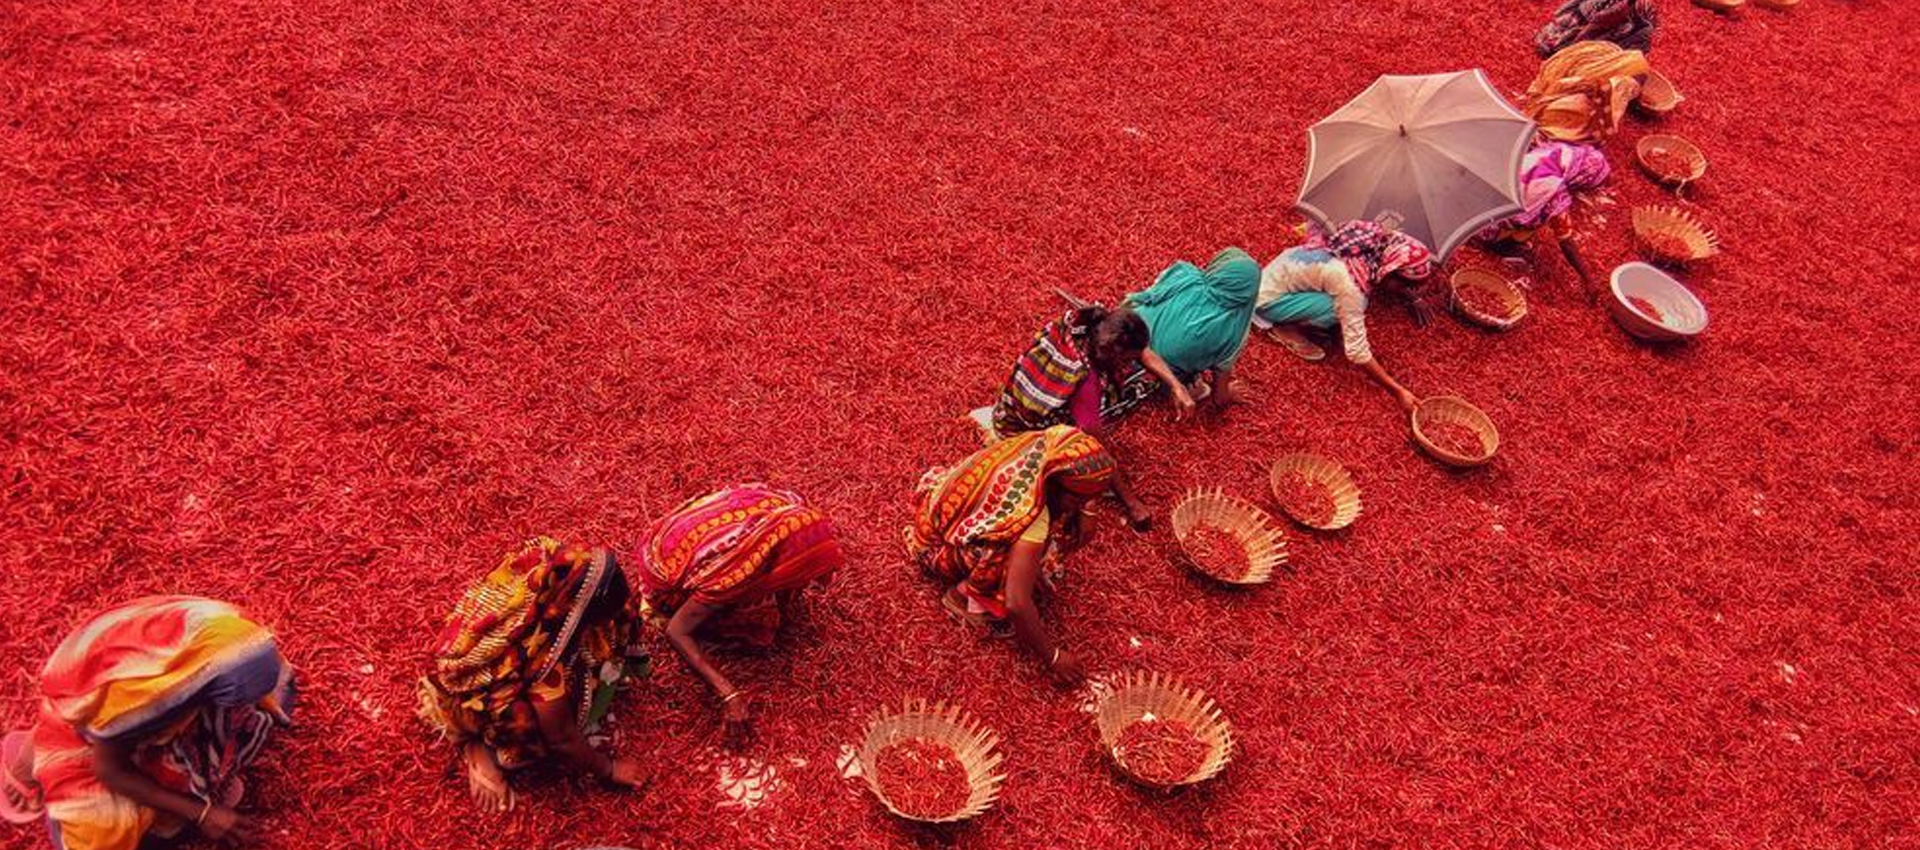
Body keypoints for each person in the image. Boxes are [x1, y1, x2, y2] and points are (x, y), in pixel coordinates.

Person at [2, 596, 296, 850]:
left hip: (128, 675)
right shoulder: (128, 700)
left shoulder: (230, 626)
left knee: (266, 705)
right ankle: (43, 756)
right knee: (104, 832)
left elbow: (262, 681)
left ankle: (185, 767)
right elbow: (111, 771)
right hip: (99, 712)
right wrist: (200, 812)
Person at [418, 538, 647, 812]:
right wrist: (608, 768)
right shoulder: (541, 658)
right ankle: (483, 748)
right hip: (483, 693)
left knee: (617, 625)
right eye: (597, 620)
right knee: (526, 726)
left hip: (499, 661)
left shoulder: (552, 575)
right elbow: (562, 739)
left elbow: (620, 611)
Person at [905, 424, 1117, 685]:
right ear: (1058, 487)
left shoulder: (1052, 444)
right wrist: (1053, 657)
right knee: (1027, 560)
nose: (1082, 505)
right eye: (1078, 499)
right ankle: (964, 598)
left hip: (938, 516)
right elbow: (1017, 603)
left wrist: (1086, 509)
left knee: (1038, 551)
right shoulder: (1031, 515)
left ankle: (993, 573)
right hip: (938, 548)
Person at [634, 484, 843, 734]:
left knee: (781, 583)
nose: (812, 583)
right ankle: (675, 598)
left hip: (689, 531)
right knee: (758, 615)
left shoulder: (788, 507)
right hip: (662, 568)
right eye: (806, 575)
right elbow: (676, 631)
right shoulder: (732, 574)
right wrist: (727, 692)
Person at [989, 304, 1190, 530]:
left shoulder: (1085, 322)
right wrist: (1132, 503)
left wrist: (1176, 385)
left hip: (1007, 407)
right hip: (1019, 433)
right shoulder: (1085, 380)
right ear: (1113, 354)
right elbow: (1096, 446)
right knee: (1086, 461)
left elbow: (1141, 351)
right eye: (1126, 360)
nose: (1129, 365)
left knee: (1134, 384)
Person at [1255, 220, 1436, 410]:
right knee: (1342, 308)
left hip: (1282, 271)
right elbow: (1357, 352)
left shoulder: (1369, 243)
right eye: (1406, 285)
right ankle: (1286, 327)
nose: (1408, 289)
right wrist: (1398, 391)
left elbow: (1392, 274)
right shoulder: (1350, 284)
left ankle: (1296, 312)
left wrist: (1412, 297)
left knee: (1347, 300)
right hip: (1267, 299)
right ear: (1389, 271)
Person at [1122, 247, 1262, 408]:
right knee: (1200, 389)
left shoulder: (1185, 274)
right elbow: (1219, 398)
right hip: (1150, 373)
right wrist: (1228, 393)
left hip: (1120, 334)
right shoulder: (1233, 332)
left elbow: (1147, 296)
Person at [1478, 140, 1611, 285]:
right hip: (1485, 223)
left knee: (1536, 205)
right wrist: (1588, 280)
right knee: (1539, 218)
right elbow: (1567, 243)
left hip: (1483, 194)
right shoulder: (1555, 190)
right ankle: (1499, 244)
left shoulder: (1559, 150)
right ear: (1582, 178)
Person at [1525, 40, 1652, 143]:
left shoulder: (1604, 50)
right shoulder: (1588, 97)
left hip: (1549, 84)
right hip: (1552, 109)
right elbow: (1606, 125)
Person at [1535, 0, 1657, 58]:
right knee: (1549, 47)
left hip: (1617, 37)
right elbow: (1589, 23)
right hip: (1588, 25)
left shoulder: (1641, 17)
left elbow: (1595, 27)